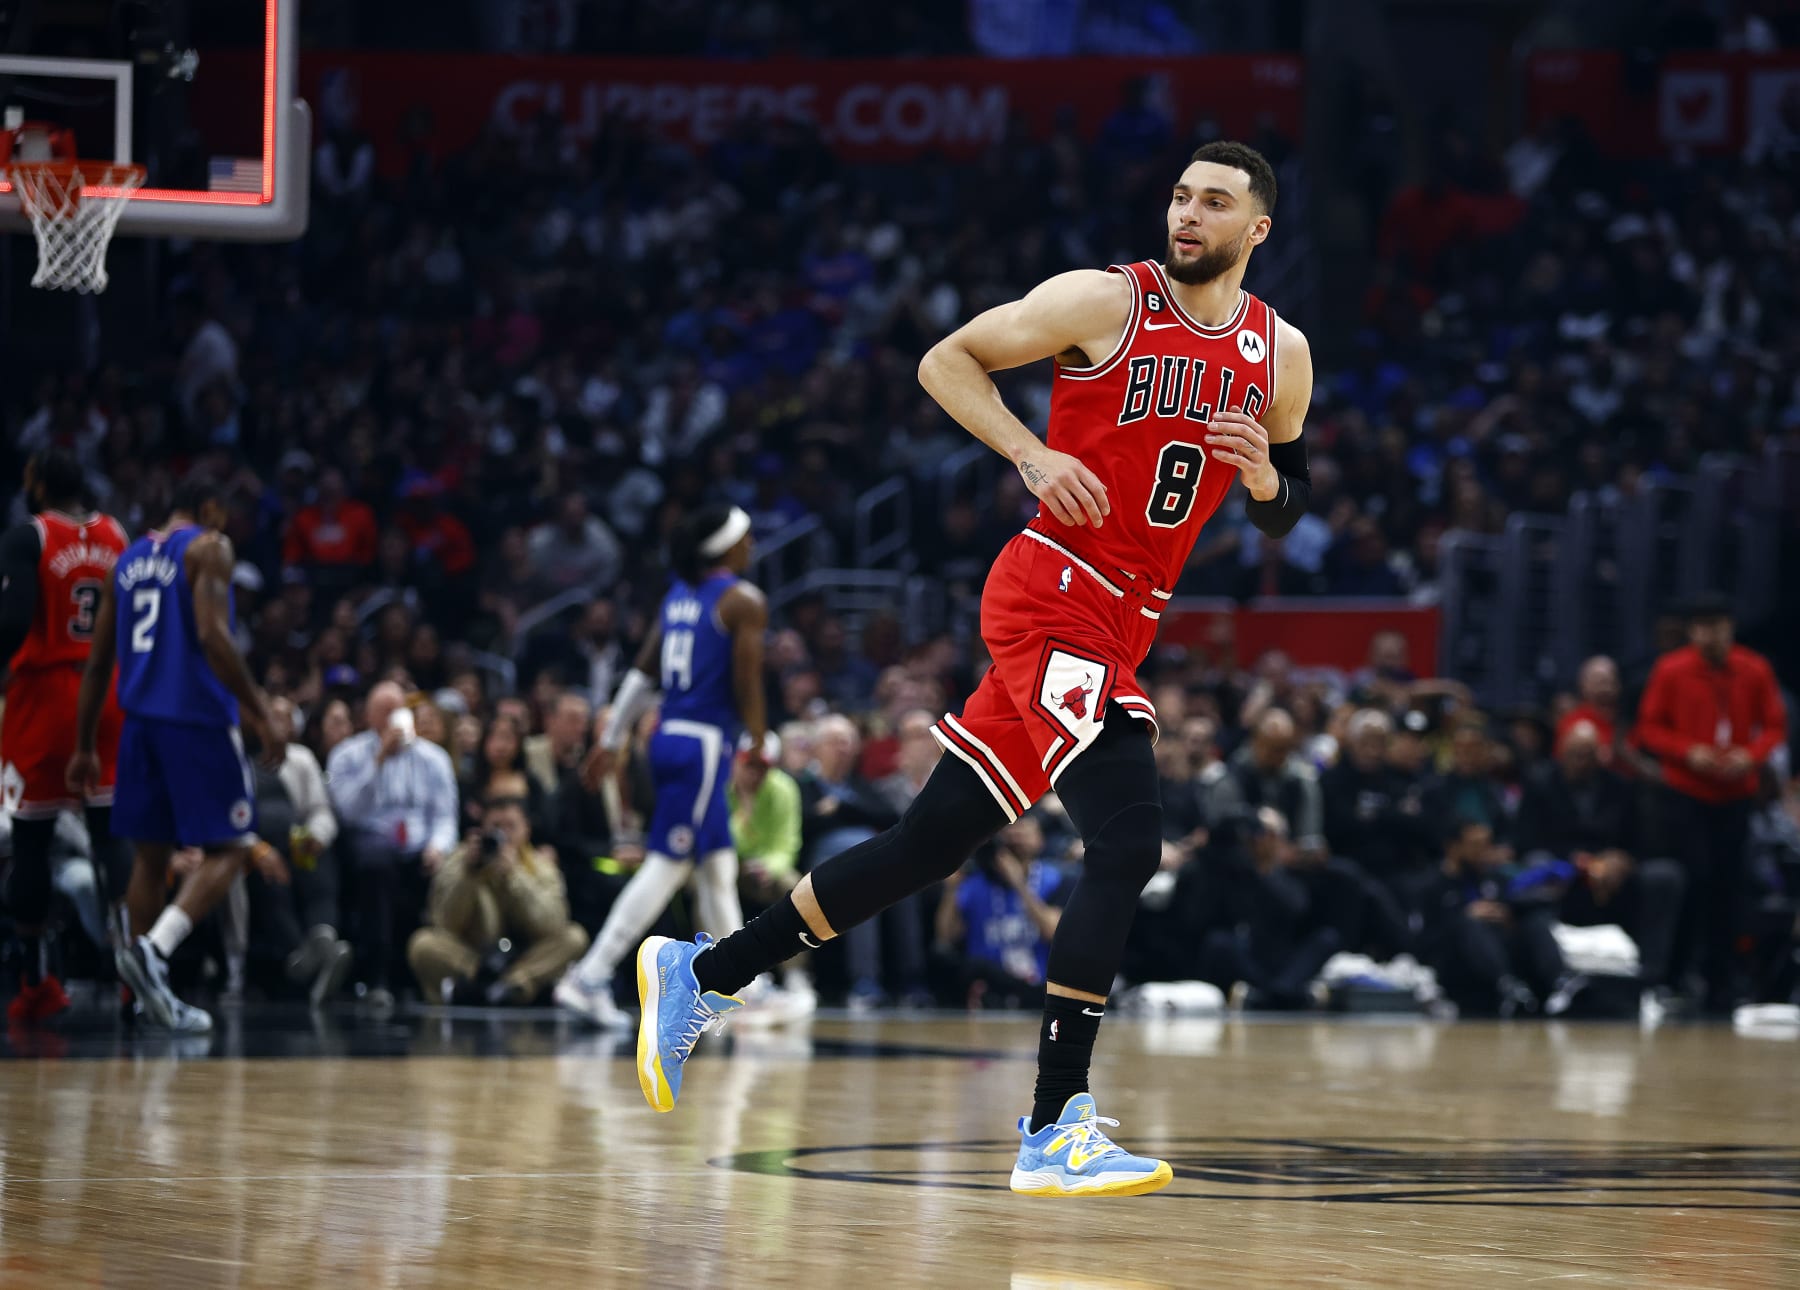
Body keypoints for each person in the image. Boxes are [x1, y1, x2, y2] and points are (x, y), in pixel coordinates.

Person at [637, 141, 1314, 1198]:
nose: (1186, 214)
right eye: (1178, 193)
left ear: (1256, 230)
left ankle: (704, 970)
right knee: (1130, 841)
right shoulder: (1105, 300)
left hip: (1125, 622)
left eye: (1213, 202)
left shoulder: (1281, 351)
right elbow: (944, 360)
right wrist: (1030, 454)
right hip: (1053, 594)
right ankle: (1055, 1121)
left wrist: (1268, 477)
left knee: (928, 843)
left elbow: (1289, 503)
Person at [69, 475, 285, 1033]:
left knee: (150, 858)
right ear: (210, 509)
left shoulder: (129, 558)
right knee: (234, 846)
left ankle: (139, 999)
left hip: (138, 723)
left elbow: (97, 664)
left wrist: (85, 745)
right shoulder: (210, 546)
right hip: (195, 718)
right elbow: (214, 636)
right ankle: (155, 953)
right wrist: (259, 709)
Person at [553, 503, 774, 1028]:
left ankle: (749, 987)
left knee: (717, 867)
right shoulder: (743, 601)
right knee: (668, 865)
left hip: (668, 737)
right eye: (746, 536)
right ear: (726, 546)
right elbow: (747, 683)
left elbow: (641, 673)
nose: (752, 547)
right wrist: (760, 741)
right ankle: (589, 976)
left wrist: (611, 736)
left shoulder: (678, 598)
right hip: (701, 743)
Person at [0, 450, 130, 1024]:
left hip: (47, 696)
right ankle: (134, 975)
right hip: (108, 693)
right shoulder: (118, 535)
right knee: (112, 839)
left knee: (31, 841)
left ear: (39, 485)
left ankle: (36, 981)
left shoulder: (28, 536)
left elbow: (13, 618)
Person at [1632, 592, 1788, 1012]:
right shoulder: (1672, 670)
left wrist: (1750, 756)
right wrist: (1688, 751)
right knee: (1692, 882)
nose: (1709, 634)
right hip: (1687, 793)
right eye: (1701, 626)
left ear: (1730, 628)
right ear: (1691, 631)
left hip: (1735, 794)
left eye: (1717, 625)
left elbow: (1774, 725)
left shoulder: (1754, 669)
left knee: (1730, 886)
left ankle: (1723, 982)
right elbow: (1649, 728)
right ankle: (1676, 976)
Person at [325, 680, 460, 1014]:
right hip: (369, 839)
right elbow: (348, 811)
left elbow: (445, 817)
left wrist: (438, 847)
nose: (392, 718)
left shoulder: (434, 759)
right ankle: (378, 975)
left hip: (419, 844)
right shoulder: (347, 755)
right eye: (384, 711)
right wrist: (379, 759)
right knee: (377, 862)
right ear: (369, 716)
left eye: (397, 710)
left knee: (453, 867)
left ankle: (432, 976)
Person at [406, 772, 589, 1005]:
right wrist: (468, 875)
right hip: (472, 956)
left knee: (575, 938)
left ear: (527, 830)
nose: (503, 835)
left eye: (511, 827)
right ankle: (496, 986)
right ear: (482, 828)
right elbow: (444, 922)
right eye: (495, 826)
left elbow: (553, 924)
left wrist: (515, 877)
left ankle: (504, 986)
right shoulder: (462, 859)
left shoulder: (541, 866)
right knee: (423, 943)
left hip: (525, 957)